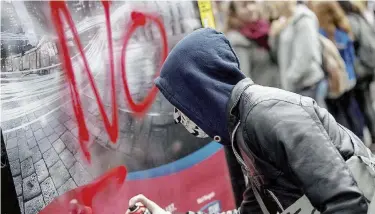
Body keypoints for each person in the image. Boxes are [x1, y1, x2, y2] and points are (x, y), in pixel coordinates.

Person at [68, 28, 373, 214]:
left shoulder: (269, 115)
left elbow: (347, 203)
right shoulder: (243, 129)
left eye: (179, 104)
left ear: (201, 91)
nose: (178, 117)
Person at [313, 1, 366, 140]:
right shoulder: (343, 29)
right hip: (350, 75)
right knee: (352, 108)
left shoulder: (322, 33)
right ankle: (360, 137)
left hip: (337, 79)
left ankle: (351, 139)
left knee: (341, 113)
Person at [268, 1, 325, 105]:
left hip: (307, 85)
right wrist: (273, 35)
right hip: (296, 87)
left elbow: (305, 56)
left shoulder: (303, 18)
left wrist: (288, 82)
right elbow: (278, 55)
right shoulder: (284, 22)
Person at [339, 0, 375, 145]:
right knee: (367, 103)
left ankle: (372, 137)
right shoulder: (359, 17)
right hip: (368, 67)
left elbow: (353, 46)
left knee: (363, 105)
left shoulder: (348, 22)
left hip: (360, 70)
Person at [225, 1, 280, 88]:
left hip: (278, 93)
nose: (250, 8)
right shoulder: (236, 40)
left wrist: (273, 36)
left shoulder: (264, 30)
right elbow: (244, 81)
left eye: (252, 2)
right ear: (235, 12)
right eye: (244, 5)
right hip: (263, 98)